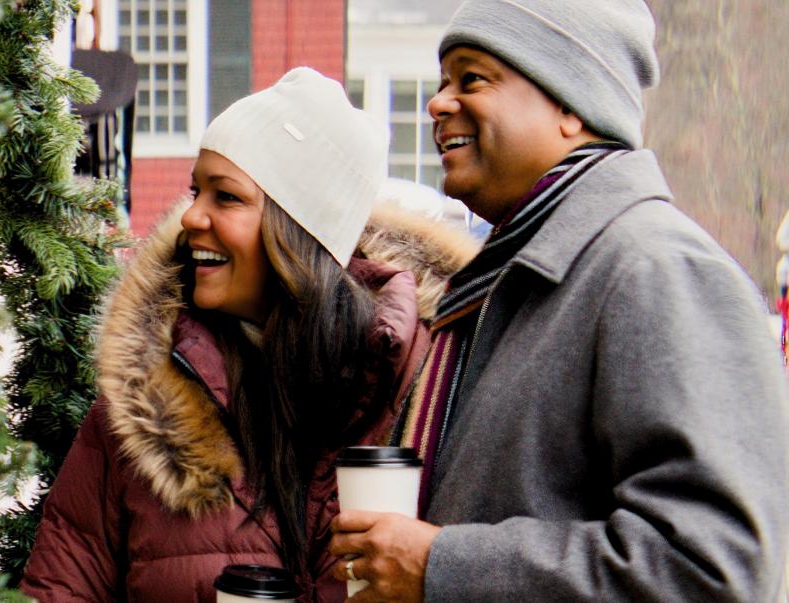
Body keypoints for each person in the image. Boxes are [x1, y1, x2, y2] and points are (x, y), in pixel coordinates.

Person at [327, 1, 789, 601]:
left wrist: (442, 566)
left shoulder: (658, 269)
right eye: (442, 83)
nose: (438, 103)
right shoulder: (518, 279)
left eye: (472, 78)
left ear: (572, 104)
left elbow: (713, 568)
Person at [19, 67, 478, 602]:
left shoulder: (431, 392)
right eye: (197, 191)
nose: (191, 217)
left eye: (226, 197)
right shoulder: (142, 409)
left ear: (301, 230)